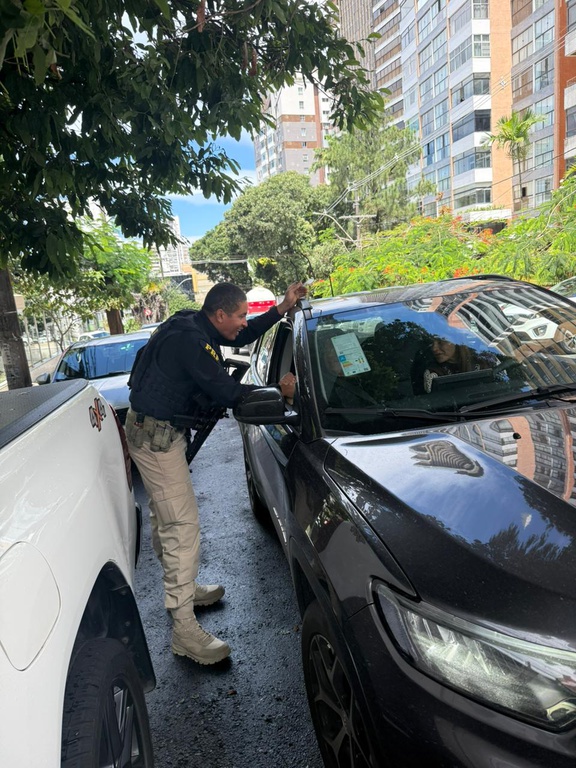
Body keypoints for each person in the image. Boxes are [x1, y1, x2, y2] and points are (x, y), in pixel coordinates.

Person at [125, 281, 306, 665]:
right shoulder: (192, 341)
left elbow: (245, 333)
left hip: (154, 433)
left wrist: (282, 307)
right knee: (181, 525)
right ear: (220, 314)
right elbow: (227, 392)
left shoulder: (195, 325)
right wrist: (279, 390)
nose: (244, 323)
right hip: (156, 439)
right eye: (240, 315)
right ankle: (184, 630)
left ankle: (184, 589)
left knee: (167, 516)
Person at [422, 336, 493, 393]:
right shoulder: (434, 373)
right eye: (431, 343)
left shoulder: (483, 360)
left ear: (456, 341)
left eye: (441, 342)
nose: (434, 348)